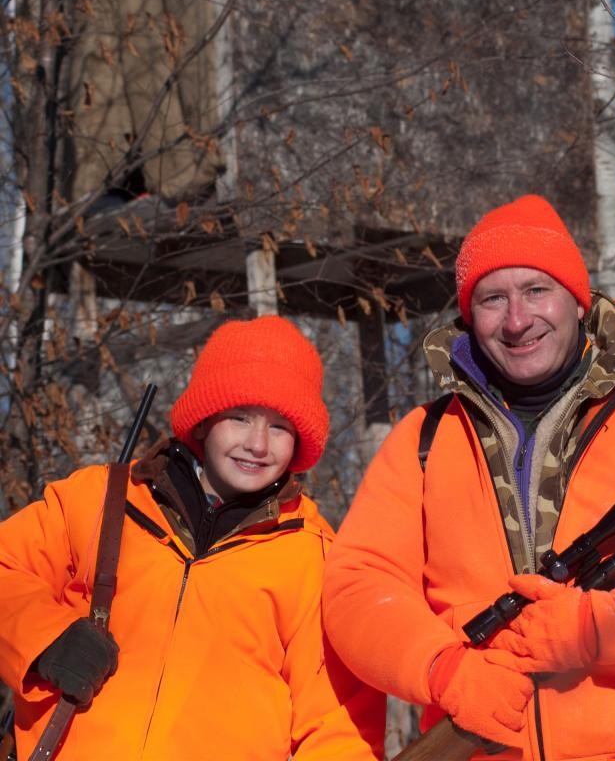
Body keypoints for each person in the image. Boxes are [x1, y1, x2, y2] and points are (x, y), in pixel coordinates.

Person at [322, 195, 615, 761]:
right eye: (493, 298)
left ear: (578, 301)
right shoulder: (423, 439)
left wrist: (600, 627)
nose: (517, 320)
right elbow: (358, 589)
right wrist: (444, 669)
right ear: (469, 317)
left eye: (536, 290)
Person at [0, 315, 385, 761]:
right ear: (203, 421)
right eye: (240, 417)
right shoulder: (101, 500)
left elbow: (339, 729)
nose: (258, 444)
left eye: (279, 426)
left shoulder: (315, 559)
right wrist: (45, 639)